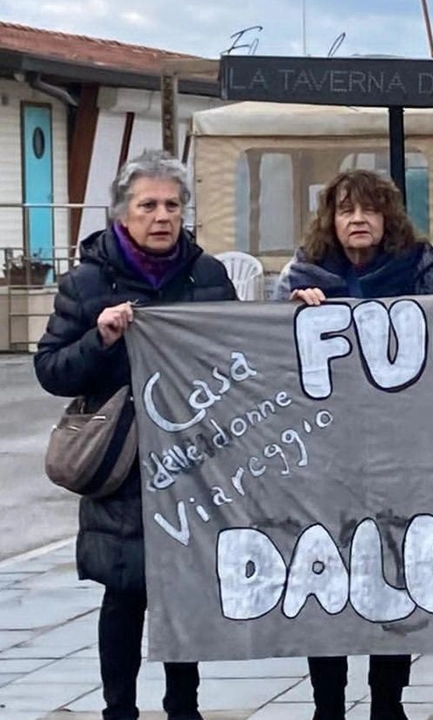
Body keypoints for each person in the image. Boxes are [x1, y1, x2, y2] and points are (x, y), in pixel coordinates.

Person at [33, 150, 237, 720]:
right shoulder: (88, 282)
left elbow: (240, 355)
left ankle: (184, 707)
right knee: (125, 591)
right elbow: (51, 370)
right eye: (148, 205)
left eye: (173, 204)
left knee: (183, 591)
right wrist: (100, 338)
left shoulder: (208, 275)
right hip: (123, 461)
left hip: (193, 459)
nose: (162, 215)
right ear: (123, 214)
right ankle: (118, 707)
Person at [278, 168, 433, 720]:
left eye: (370, 210)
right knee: (324, 573)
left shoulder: (421, 273)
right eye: (347, 209)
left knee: (392, 574)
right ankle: (327, 703)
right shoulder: (300, 276)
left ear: (388, 219)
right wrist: (289, 314)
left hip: (400, 450)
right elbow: (262, 355)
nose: (358, 219)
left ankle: (387, 700)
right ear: (331, 219)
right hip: (325, 454)